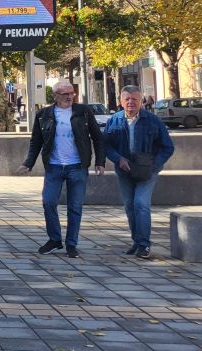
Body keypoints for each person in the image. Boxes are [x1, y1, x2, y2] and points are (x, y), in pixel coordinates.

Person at [16, 81, 106, 258]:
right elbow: (36, 141)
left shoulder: (83, 112)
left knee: (75, 206)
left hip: (77, 166)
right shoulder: (44, 115)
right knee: (48, 202)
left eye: (72, 93)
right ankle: (55, 239)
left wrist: (100, 161)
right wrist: (28, 163)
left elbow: (97, 137)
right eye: (65, 94)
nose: (70, 97)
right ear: (56, 95)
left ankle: (71, 244)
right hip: (54, 166)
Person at [103, 85, 175, 259]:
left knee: (141, 203)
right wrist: (118, 159)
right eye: (127, 99)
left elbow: (168, 147)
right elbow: (105, 145)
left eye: (134, 99)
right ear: (121, 101)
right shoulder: (114, 120)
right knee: (130, 206)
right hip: (124, 171)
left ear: (141, 101)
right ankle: (136, 241)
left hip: (147, 171)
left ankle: (144, 244)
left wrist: (154, 165)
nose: (130, 102)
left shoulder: (153, 120)